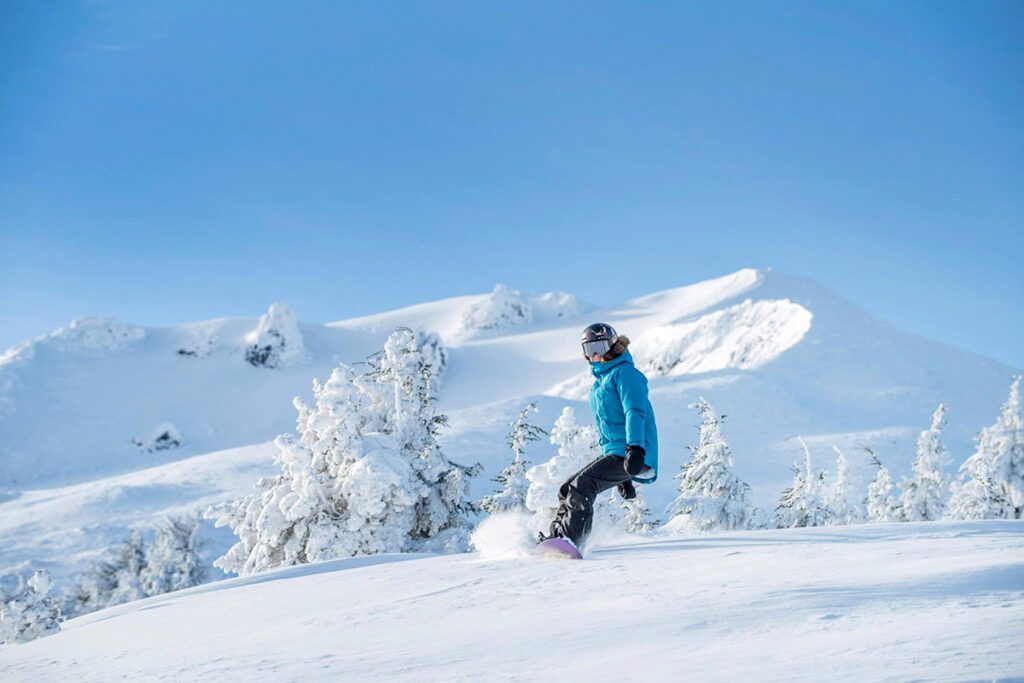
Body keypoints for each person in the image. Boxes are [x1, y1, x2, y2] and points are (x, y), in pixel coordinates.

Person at [544, 322, 659, 550]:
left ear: (613, 345)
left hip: (633, 450)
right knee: (568, 489)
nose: (595, 355)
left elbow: (635, 412)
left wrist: (635, 449)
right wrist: (623, 477)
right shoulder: (600, 383)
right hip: (617, 451)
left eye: (600, 347)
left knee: (583, 486)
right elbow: (608, 427)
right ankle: (557, 538)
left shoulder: (626, 374)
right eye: (589, 350)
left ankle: (571, 542)